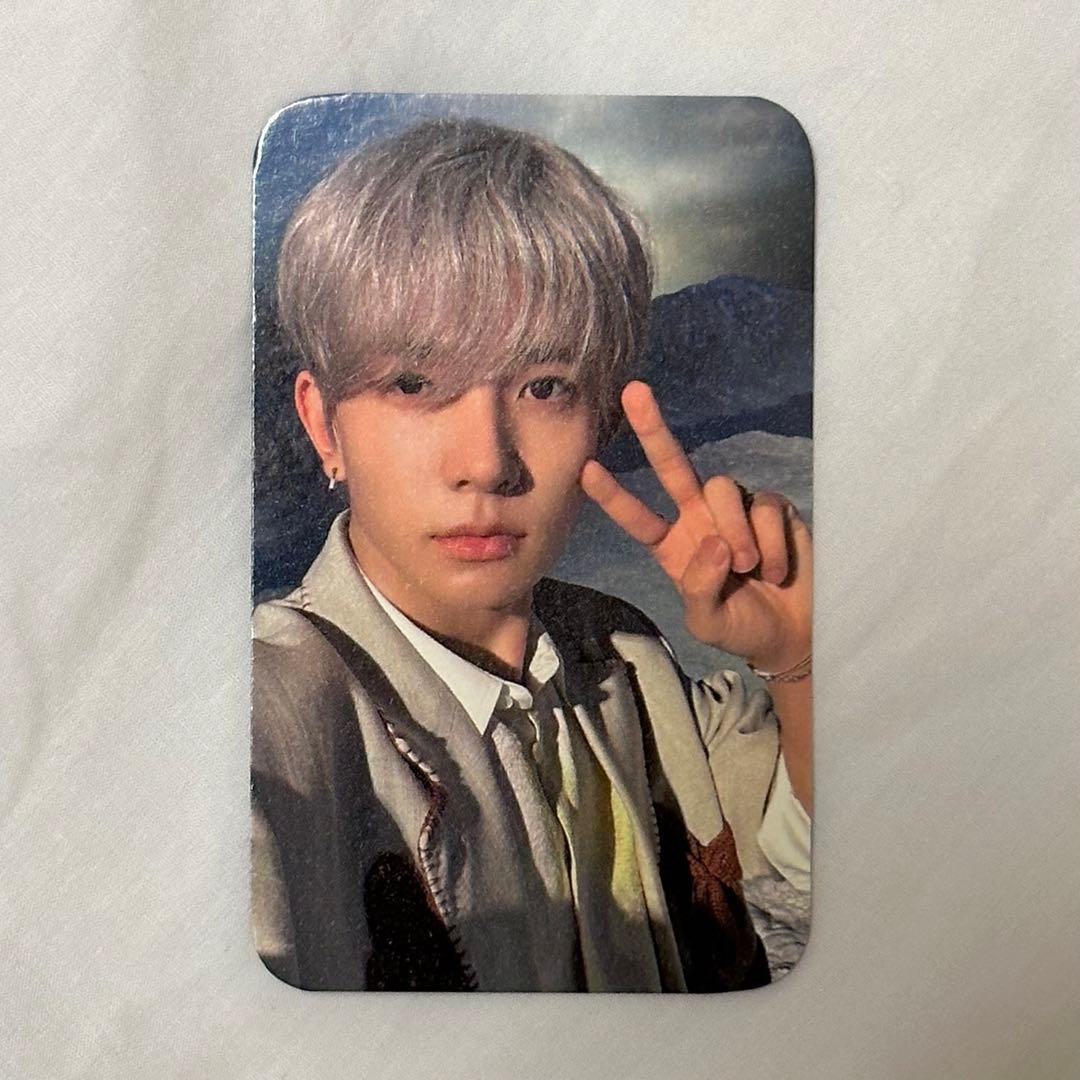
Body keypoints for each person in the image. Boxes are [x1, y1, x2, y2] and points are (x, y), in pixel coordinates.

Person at [251, 116, 812, 992]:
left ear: (602, 421)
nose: (487, 462)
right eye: (415, 383)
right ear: (324, 425)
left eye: (544, 387)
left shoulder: (629, 660)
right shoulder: (266, 718)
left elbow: (821, 845)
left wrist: (798, 658)